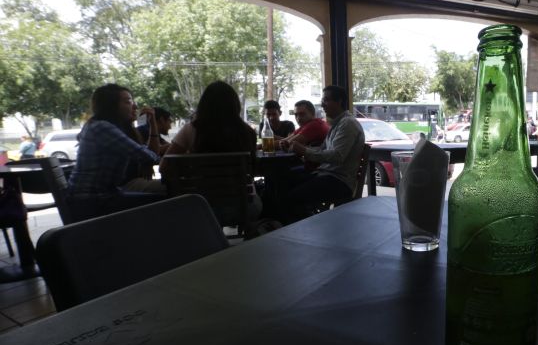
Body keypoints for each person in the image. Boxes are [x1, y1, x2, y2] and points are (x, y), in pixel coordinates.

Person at [160, 81, 263, 232]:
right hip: (244, 207)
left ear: (204, 105)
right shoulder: (247, 132)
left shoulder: (191, 130)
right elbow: (253, 170)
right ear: (235, 105)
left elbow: (164, 167)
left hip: (202, 209)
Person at [67, 84, 165, 222]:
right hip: (93, 200)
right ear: (111, 106)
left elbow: (147, 155)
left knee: (163, 199)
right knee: (168, 199)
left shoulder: (100, 126)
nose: (135, 106)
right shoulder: (103, 128)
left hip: (97, 196)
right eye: (128, 101)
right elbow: (147, 156)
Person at [281, 85, 365, 223]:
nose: (322, 104)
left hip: (339, 181)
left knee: (292, 196)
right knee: (282, 183)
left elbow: (337, 157)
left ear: (339, 101)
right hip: (327, 175)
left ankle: (303, 229)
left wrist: (304, 151)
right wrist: (303, 149)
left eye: (326, 100)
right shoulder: (337, 124)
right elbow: (322, 150)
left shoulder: (348, 124)